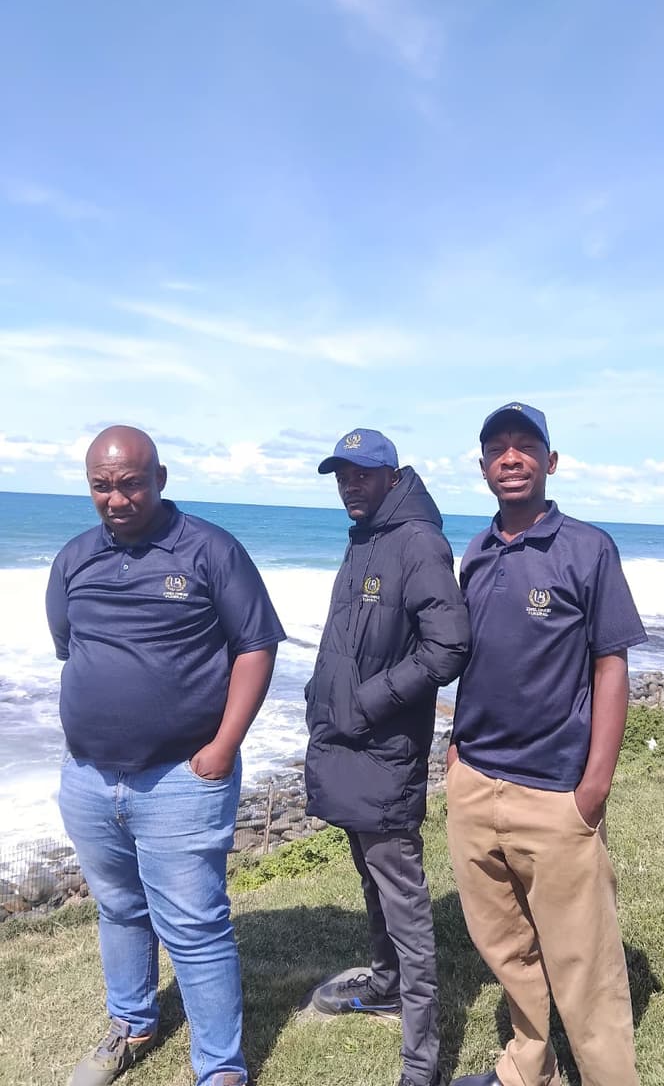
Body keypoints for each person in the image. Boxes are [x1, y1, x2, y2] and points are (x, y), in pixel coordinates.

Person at [46, 426, 285, 1086]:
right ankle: (131, 1024)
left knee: (196, 927)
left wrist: (223, 747)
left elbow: (256, 645)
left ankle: (220, 1069)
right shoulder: (74, 559)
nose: (116, 498)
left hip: (182, 777)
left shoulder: (210, 550)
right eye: (102, 485)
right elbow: (71, 646)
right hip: (90, 776)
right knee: (119, 909)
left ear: (160, 478)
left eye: (130, 483)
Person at [446, 402, 647, 1086]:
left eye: (525, 445)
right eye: (497, 448)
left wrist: (594, 786)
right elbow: (475, 659)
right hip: (476, 783)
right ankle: (529, 1068)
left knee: (585, 968)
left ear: (550, 461)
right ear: (482, 467)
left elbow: (611, 664)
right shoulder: (476, 552)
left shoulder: (588, 549)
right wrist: (456, 749)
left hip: (555, 793)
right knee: (507, 950)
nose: (511, 457)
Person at [305, 428, 470, 1086]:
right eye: (342, 474)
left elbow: (447, 647)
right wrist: (322, 697)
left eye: (363, 473)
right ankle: (383, 984)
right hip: (348, 745)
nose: (350, 484)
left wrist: (367, 701)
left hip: (384, 752)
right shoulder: (366, 537)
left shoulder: (417, 542)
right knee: (371, 881)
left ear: (392, 476)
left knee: (405, 904)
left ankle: (421, 1062)